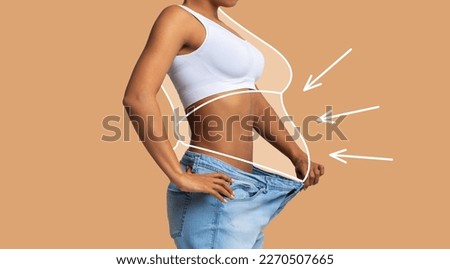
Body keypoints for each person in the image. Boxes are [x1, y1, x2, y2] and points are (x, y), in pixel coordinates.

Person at [122, 0, 325, 249]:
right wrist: (178, 175)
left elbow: (255, 102)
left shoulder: (225, 30)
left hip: (243, 188)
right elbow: (138, 96)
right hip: (214, 186)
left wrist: (296, 155)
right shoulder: (177, 17)